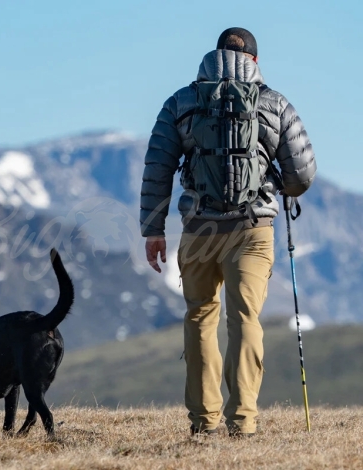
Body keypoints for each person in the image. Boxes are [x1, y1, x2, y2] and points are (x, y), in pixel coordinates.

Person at [140, 27, 316, 437]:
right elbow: (302, 174)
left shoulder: (182, 101)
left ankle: (204, 422)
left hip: (199, 228)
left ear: (214, 54)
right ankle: (243, 421)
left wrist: (153, 229)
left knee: (200, 317)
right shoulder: (274, 103)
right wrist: (280, 185)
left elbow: (158, 167)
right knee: (245, 318)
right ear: (254, 60)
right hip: (253, 229)